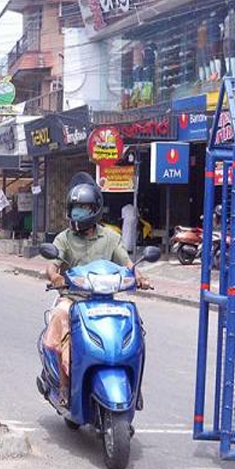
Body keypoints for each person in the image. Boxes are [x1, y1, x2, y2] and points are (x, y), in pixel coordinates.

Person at [44, 173, 148, 407]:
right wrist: (55, 275)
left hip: (105, 300)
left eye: (83, 207)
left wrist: (139, 277)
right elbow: (52, 264)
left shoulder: (111, 238)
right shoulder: (64, 238)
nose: (77, 212)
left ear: (95, 209)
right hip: (74, 299)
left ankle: (136, 385)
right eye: (74, 208)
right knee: (60, 315)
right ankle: (63, 384)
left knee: (136, 328)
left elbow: (127, 263)